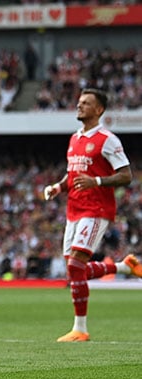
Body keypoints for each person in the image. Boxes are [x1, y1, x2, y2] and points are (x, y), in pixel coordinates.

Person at [43, 88, 142, 342]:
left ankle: (80, 329)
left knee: (76, 265)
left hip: (96, 210)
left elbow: (126, 175)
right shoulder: (75, 139)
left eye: (86, 103)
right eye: (79, 102)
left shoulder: (107, 139)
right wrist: (58, 186)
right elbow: (73, 173)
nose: (79, 106)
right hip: (73, 210)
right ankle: (125, 266)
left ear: (99, 110)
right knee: (74, 271)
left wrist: (96, 180)